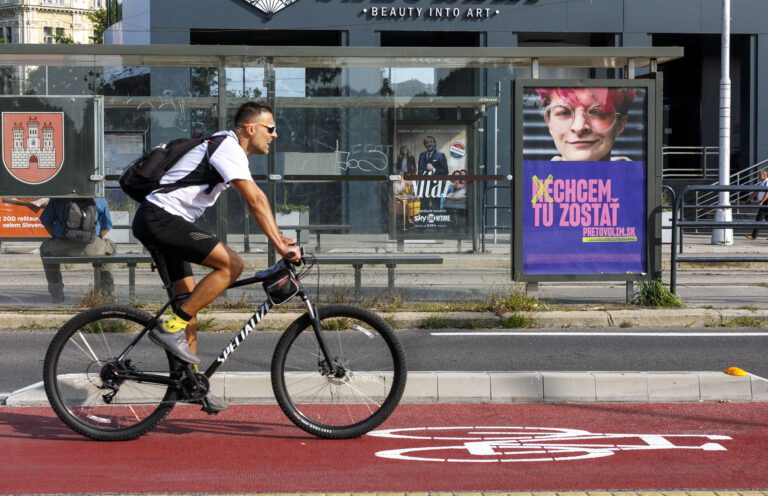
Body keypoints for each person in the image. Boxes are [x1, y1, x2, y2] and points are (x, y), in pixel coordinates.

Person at [131, 101, 300, 413]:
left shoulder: (223, 145)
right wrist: (280, 244)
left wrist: (280, 237)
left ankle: (190, 383)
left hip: (159, 221)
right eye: (271, 128)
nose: (275, 135)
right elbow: (255, 199)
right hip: (159, 218)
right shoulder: (229, 147)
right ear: (251, 128)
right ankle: (169, 329)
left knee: (187, 305)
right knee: (232, 265)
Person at [39, 197, 115, 303]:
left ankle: (57, 294)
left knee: (45, 249)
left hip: (61, 247)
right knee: (111, 247)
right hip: (91, 248)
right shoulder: (100, 199)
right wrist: (95, 239)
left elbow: (45, 222)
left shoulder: (57, 199)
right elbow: (106, 227)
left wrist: (56, 236)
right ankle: (106, 294)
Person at [535, 87, 636, 162]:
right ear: (548, 122)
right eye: (563, 113)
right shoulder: (531, 185)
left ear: (620, 124)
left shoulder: (639, 185)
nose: (579, 127)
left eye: (598, 112)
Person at [744, 168, 768, 240]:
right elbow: (757, 192)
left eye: (760, 174)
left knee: (759, 218)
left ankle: (754, 236)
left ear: (764, 174)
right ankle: (754, 236)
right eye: (758, 175)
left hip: (766, 202)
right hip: (764, 202)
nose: (759, 176)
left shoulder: (767, 182)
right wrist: (749, 198)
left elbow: (767, 193)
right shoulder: (762, 183)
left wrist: (762, 201)